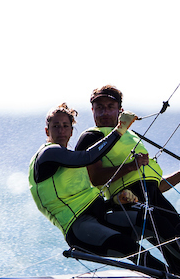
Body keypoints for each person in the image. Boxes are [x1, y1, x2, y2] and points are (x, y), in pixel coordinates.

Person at [75, 85, 180, 279]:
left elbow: (153, 187)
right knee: (165, 230)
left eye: (110, 106)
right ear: (92, 110)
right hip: (125, 198)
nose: (104, 112)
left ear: (120, 110)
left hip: (149, 195)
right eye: (99, 107)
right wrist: (130, 166)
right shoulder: (92, 137)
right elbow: (96, 178)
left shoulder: (130, 137)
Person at [29, 103, 164, 270]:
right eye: (55, 126)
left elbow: (87, 197)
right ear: (47, 131)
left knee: (155, 221)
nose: (61, 130)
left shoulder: (70, 160)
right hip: (80, 229)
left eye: (65, 126)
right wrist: (120, 129)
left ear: (72, 131)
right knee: (133, 249)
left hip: (101, 217)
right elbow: (89, 156)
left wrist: (115, 200)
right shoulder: (48, 153)